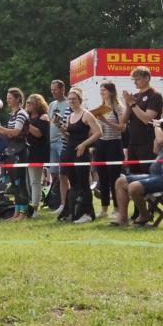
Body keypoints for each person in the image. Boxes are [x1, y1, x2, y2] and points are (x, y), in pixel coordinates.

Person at [111, 109, 163, 227]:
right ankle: (122, 219)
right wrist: (161, 129)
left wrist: (157, 126)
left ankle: (144, 215)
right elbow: (156, 148)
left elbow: (162, 140)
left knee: (133, 187)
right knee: (120, 182)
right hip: (160, 176)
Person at [58, 88, 101, 223]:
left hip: (81, 154)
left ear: (80, 100)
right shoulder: (70, 116)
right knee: (74, 184)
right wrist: (61, 129)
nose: (71, 101)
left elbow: (98, 132)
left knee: (83, 184)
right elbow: (69, 136)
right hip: (70, 152)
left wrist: (84, 145)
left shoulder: (86, 114)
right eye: (69, 99)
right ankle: (73, 212)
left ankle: (87, 214)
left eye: (74, 99)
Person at [0, 88, 31, 221]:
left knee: (20, 183)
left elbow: (16, 132)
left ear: (18, 99)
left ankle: (23, 213)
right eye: (7, 98)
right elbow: (7, 134)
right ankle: (16, 213)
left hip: (20, 150)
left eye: (10, 97)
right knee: (14, 184)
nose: (8, 100)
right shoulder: (12, 114)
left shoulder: (21, 113)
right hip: (11, 150)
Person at [121, 66, 163, 171]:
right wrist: (127, 105)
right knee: (133, 173)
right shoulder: (134, 96)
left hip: (147, 142)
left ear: (147, 78)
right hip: (133, 141)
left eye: (138, 79)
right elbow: (123, 121)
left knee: (147, 172)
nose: (135, 82)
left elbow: (147, 119)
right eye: (134, 80)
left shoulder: (155, 95)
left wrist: (132, 104)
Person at [93, 82, 126, 218]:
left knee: (114, 178)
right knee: (102, 177)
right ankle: (104, 209)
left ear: (111, 92)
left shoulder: (118, 107)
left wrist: (105, 121)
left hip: (114, 144)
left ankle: (117, 209)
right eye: (101, 90)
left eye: (104, 90)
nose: (102, 92)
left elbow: (122, 128)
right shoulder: (100, 108)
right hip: (101, 144)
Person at [24, 94, 50, 215]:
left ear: (38, 104)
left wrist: (26, 124)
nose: (28, 105)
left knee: (35, 180)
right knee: (31, 180)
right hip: (27, 151)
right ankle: (32, 204)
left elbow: (39, 134)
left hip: (38, 152)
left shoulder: (43, 117)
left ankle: (35, 208)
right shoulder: (27, 117)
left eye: (31, 103)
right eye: (27, 102)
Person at [48, 79, 70, 214]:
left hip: (62, 141)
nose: (53, 92)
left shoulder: (69, 103)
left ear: (62, 89)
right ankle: (56, 200)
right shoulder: (51, 104)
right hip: (51, 142)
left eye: (55, 89)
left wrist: (59, 121)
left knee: (64, 174)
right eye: (51, 90)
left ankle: (65, 202)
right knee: (54, 173)